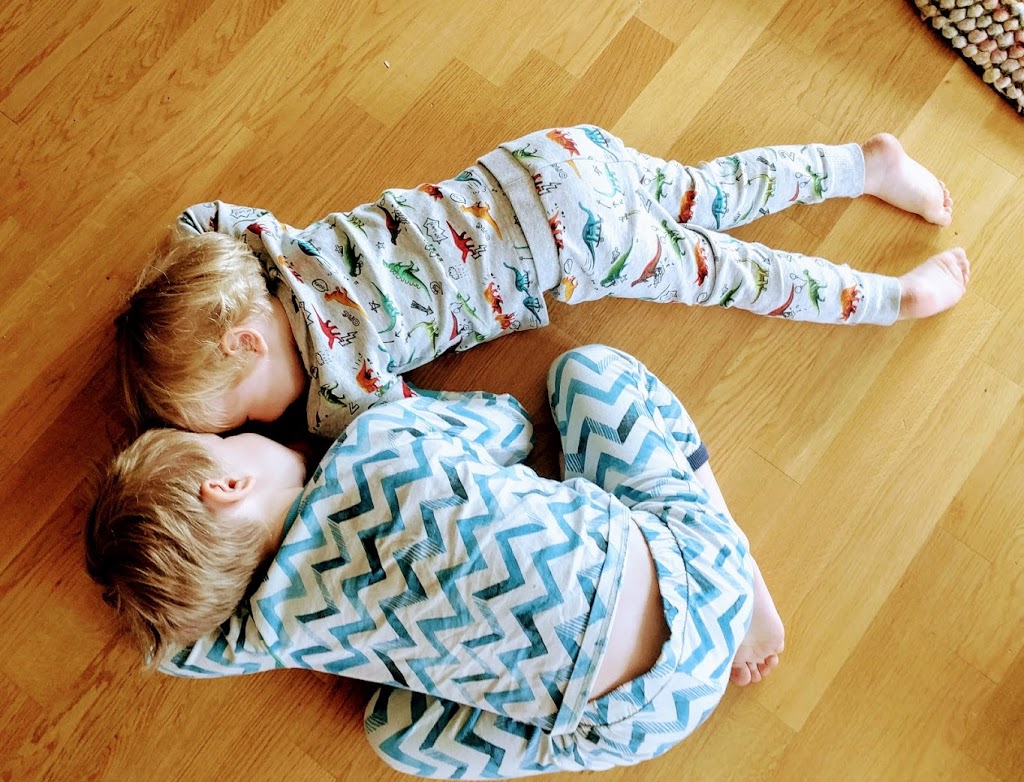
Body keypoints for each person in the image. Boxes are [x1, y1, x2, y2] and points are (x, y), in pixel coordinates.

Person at [86, 344, 783, 779]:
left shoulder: (280, 627)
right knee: (589, 371)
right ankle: (743, 573)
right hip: (702, 573)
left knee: (394, 734)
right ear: (226, 483)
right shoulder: (380, 434)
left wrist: (182, 585)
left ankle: (556, 731)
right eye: (226, 439)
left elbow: (178, 651)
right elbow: (509, 427)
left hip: (646, 720)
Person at [116, 127, 969, 438]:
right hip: (545, 158)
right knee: (705, 189)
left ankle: (889, 298)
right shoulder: (274, 244)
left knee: (724, 272)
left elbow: (460, 429)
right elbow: (198, 220)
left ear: (247, 342)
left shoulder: (338, 388)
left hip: (572, 246)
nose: (254, 428)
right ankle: (857, 163)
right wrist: (178, 298)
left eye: (240, 414)